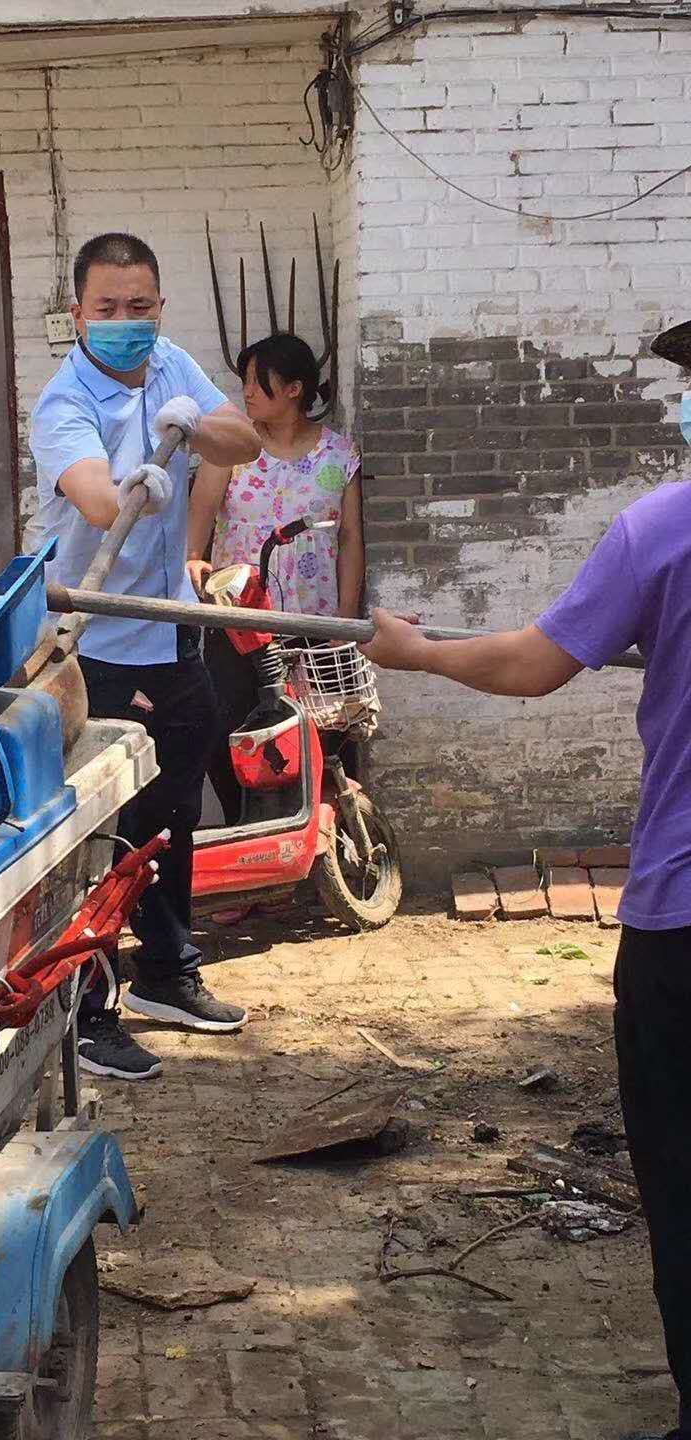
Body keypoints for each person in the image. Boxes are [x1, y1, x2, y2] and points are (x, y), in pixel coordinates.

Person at [359, 318, 691, 1440]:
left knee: (684, 1179)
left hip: (684, 926)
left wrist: (415, 652)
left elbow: (535, 663)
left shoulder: (663, 530)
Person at [30, 231, 262, 1081]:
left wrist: (195, 426)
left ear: (160, 307)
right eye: (107, 308)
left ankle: (168, 974)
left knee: (171, 816)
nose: (125, 321)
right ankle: (87, 1012)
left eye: (139, 306)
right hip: (94, 647)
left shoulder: (170, 364)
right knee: (102, 833)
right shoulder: (63, 401)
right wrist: (141, 482)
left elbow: (243, 441)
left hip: (171, 633)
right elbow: (97, 501)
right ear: (78, 314)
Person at [187, 332, 363, 826]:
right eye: (243, 381)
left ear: (293, 389)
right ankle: (245, 831)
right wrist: (192, 559)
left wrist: (345, 621)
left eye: (257, 382)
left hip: (313, 624)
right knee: (230, 730)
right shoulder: (232, 449)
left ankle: (323, 836)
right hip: (238, 622)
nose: (246, 392)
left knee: (324, 735)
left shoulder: (337, 456)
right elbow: (200, 511)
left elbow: (350, 538)